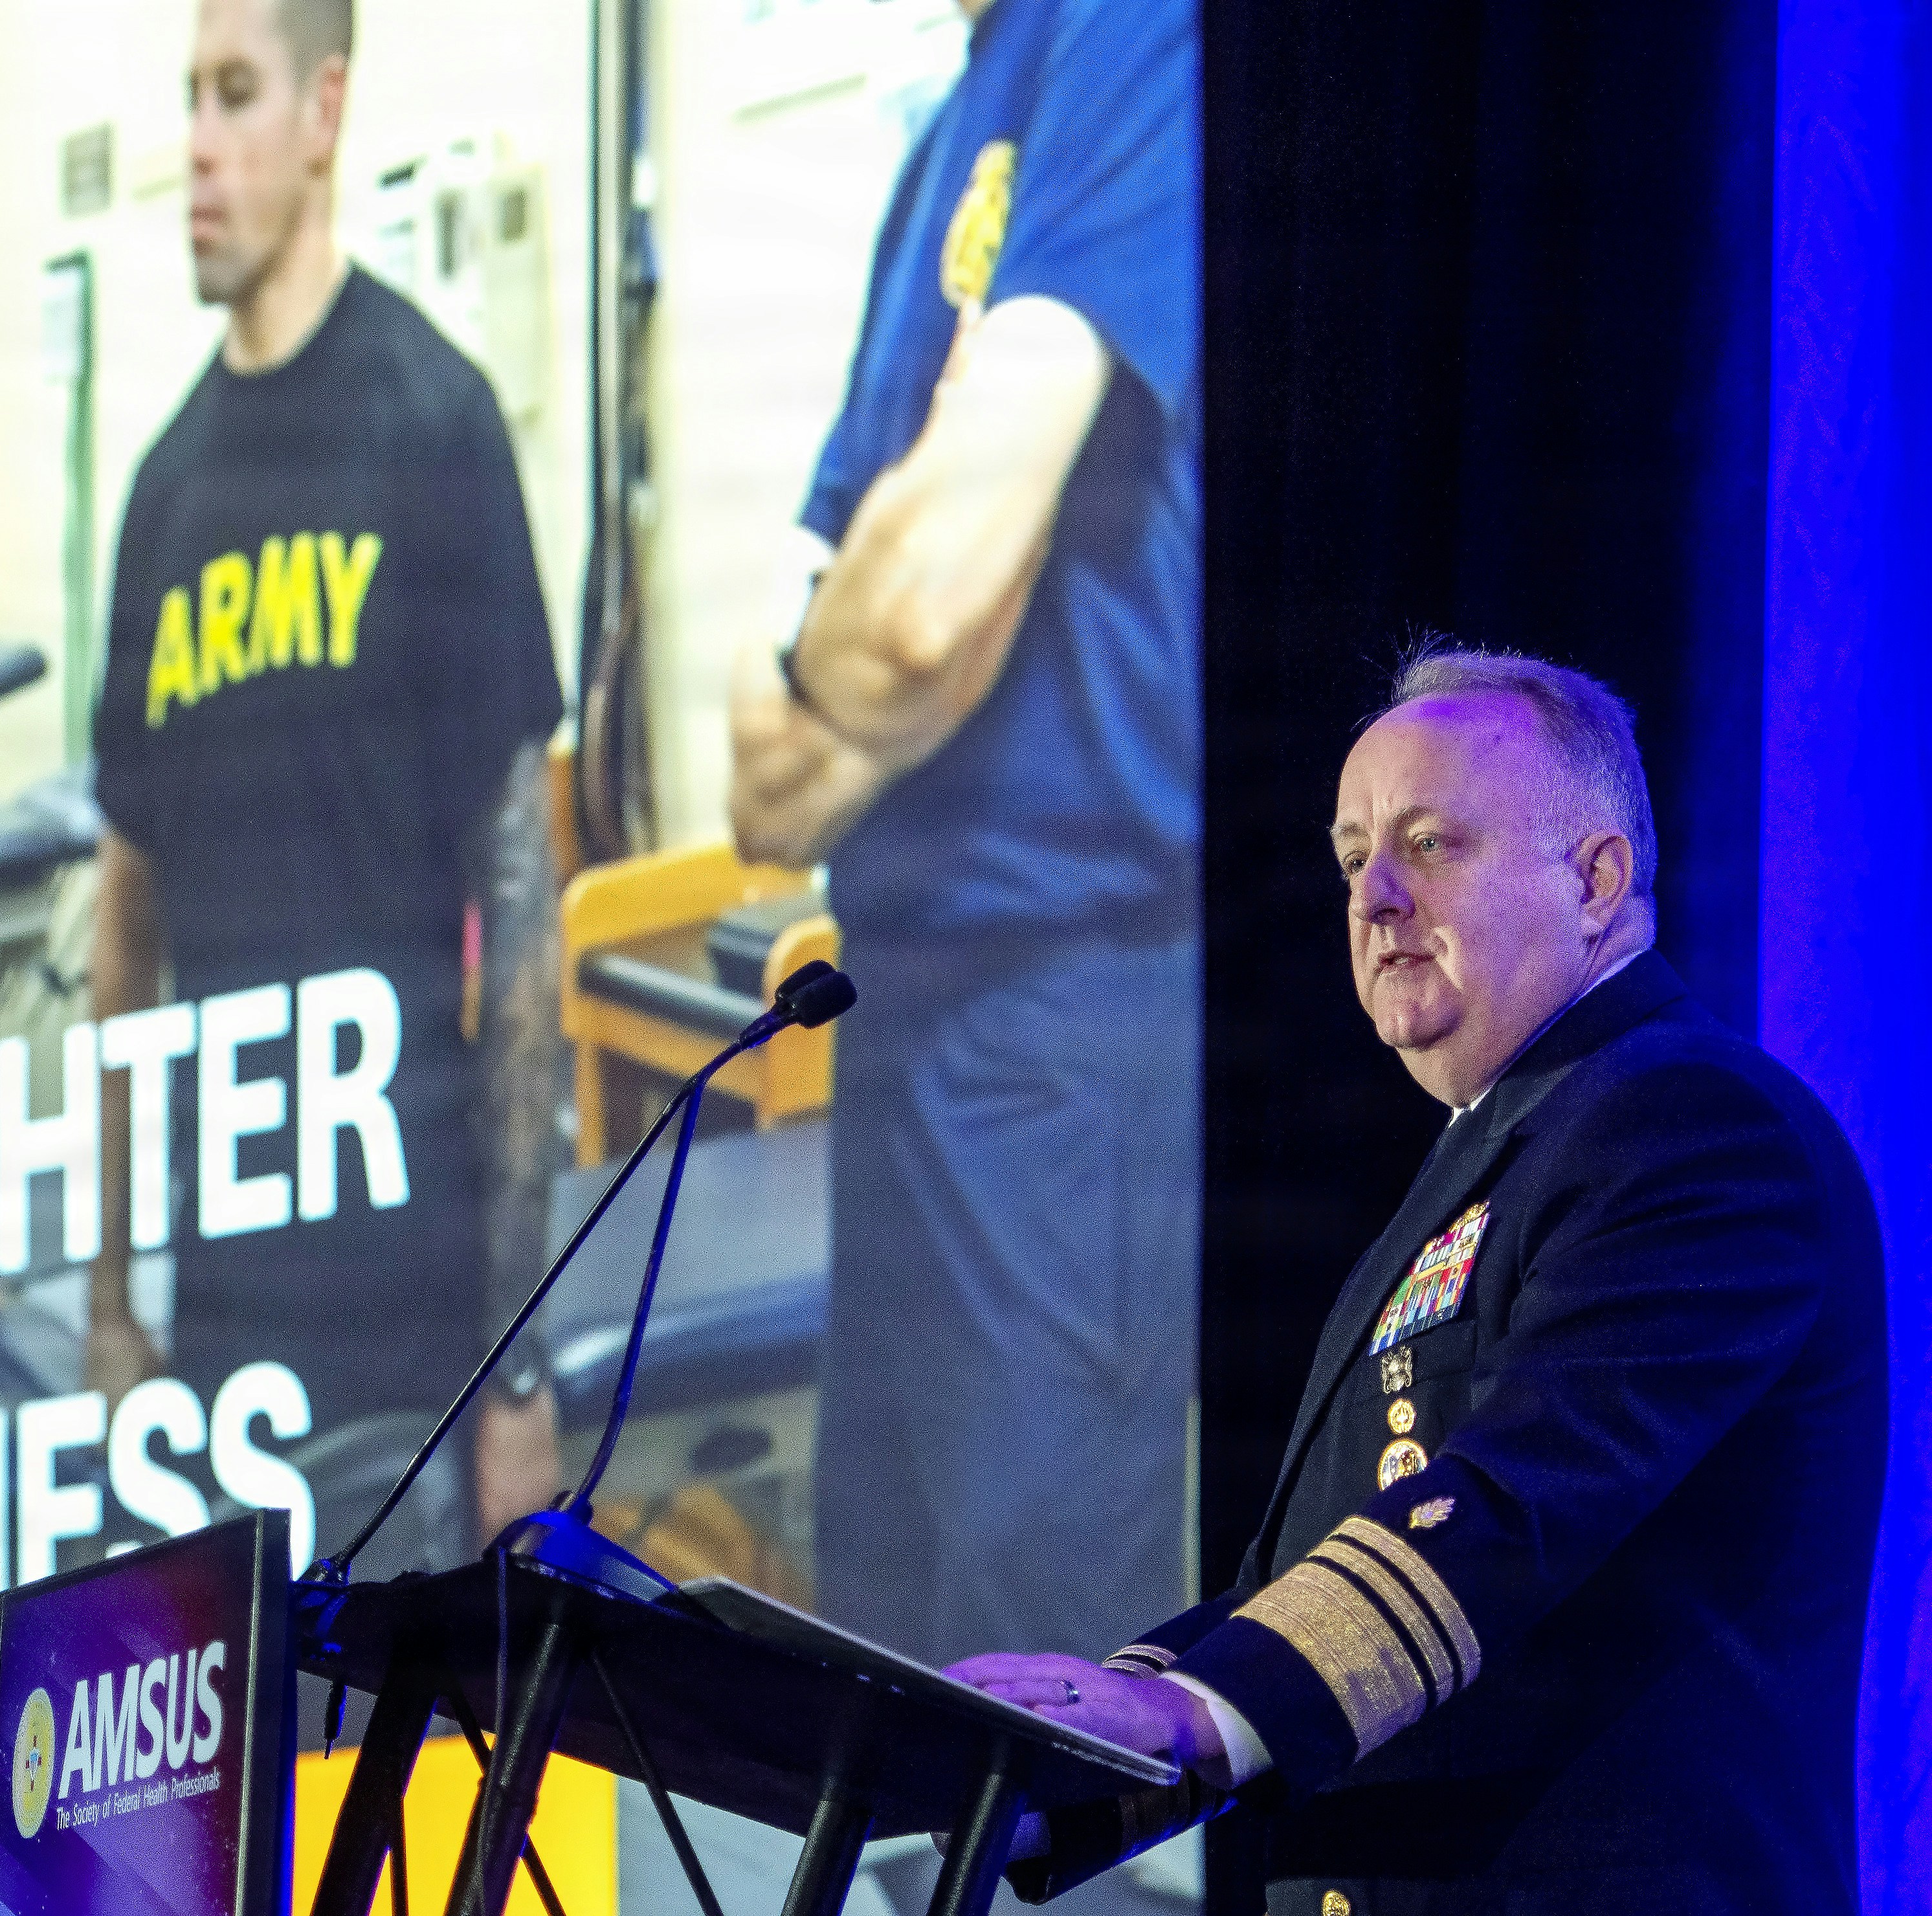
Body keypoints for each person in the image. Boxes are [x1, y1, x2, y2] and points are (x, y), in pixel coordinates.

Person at [951, 651, 1884, 1914]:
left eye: (1431, 843)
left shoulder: (1691, 1126)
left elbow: (1511, 1507)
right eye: (1351, 859)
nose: (1375, 898)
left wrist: (1184, 1714)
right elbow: (1333, 1552)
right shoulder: (1507, 1144)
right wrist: (1071, 1741)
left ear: (1596, 878)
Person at [725, 0, 1199, 1751]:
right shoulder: (946, 136)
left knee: (1042, 1726)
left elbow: (915, 599)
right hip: (906, 1014)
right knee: (888, 1693)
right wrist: (881, 642)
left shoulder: (1139, 38)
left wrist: (873, 640)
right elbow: (767, 761)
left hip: (1067, 1031)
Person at [82, 0, 566, 1552]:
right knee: (237, 1791)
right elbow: (119, 942)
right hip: (216, 1335)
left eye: (234, 97)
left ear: (323, 111)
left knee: (417, 1790)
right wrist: (106, 1299)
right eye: (187, 101)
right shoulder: (160, 495)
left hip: (408, 1331)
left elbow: (523, 923)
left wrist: (517, 1349)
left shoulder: (432, 423)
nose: (195, 149)